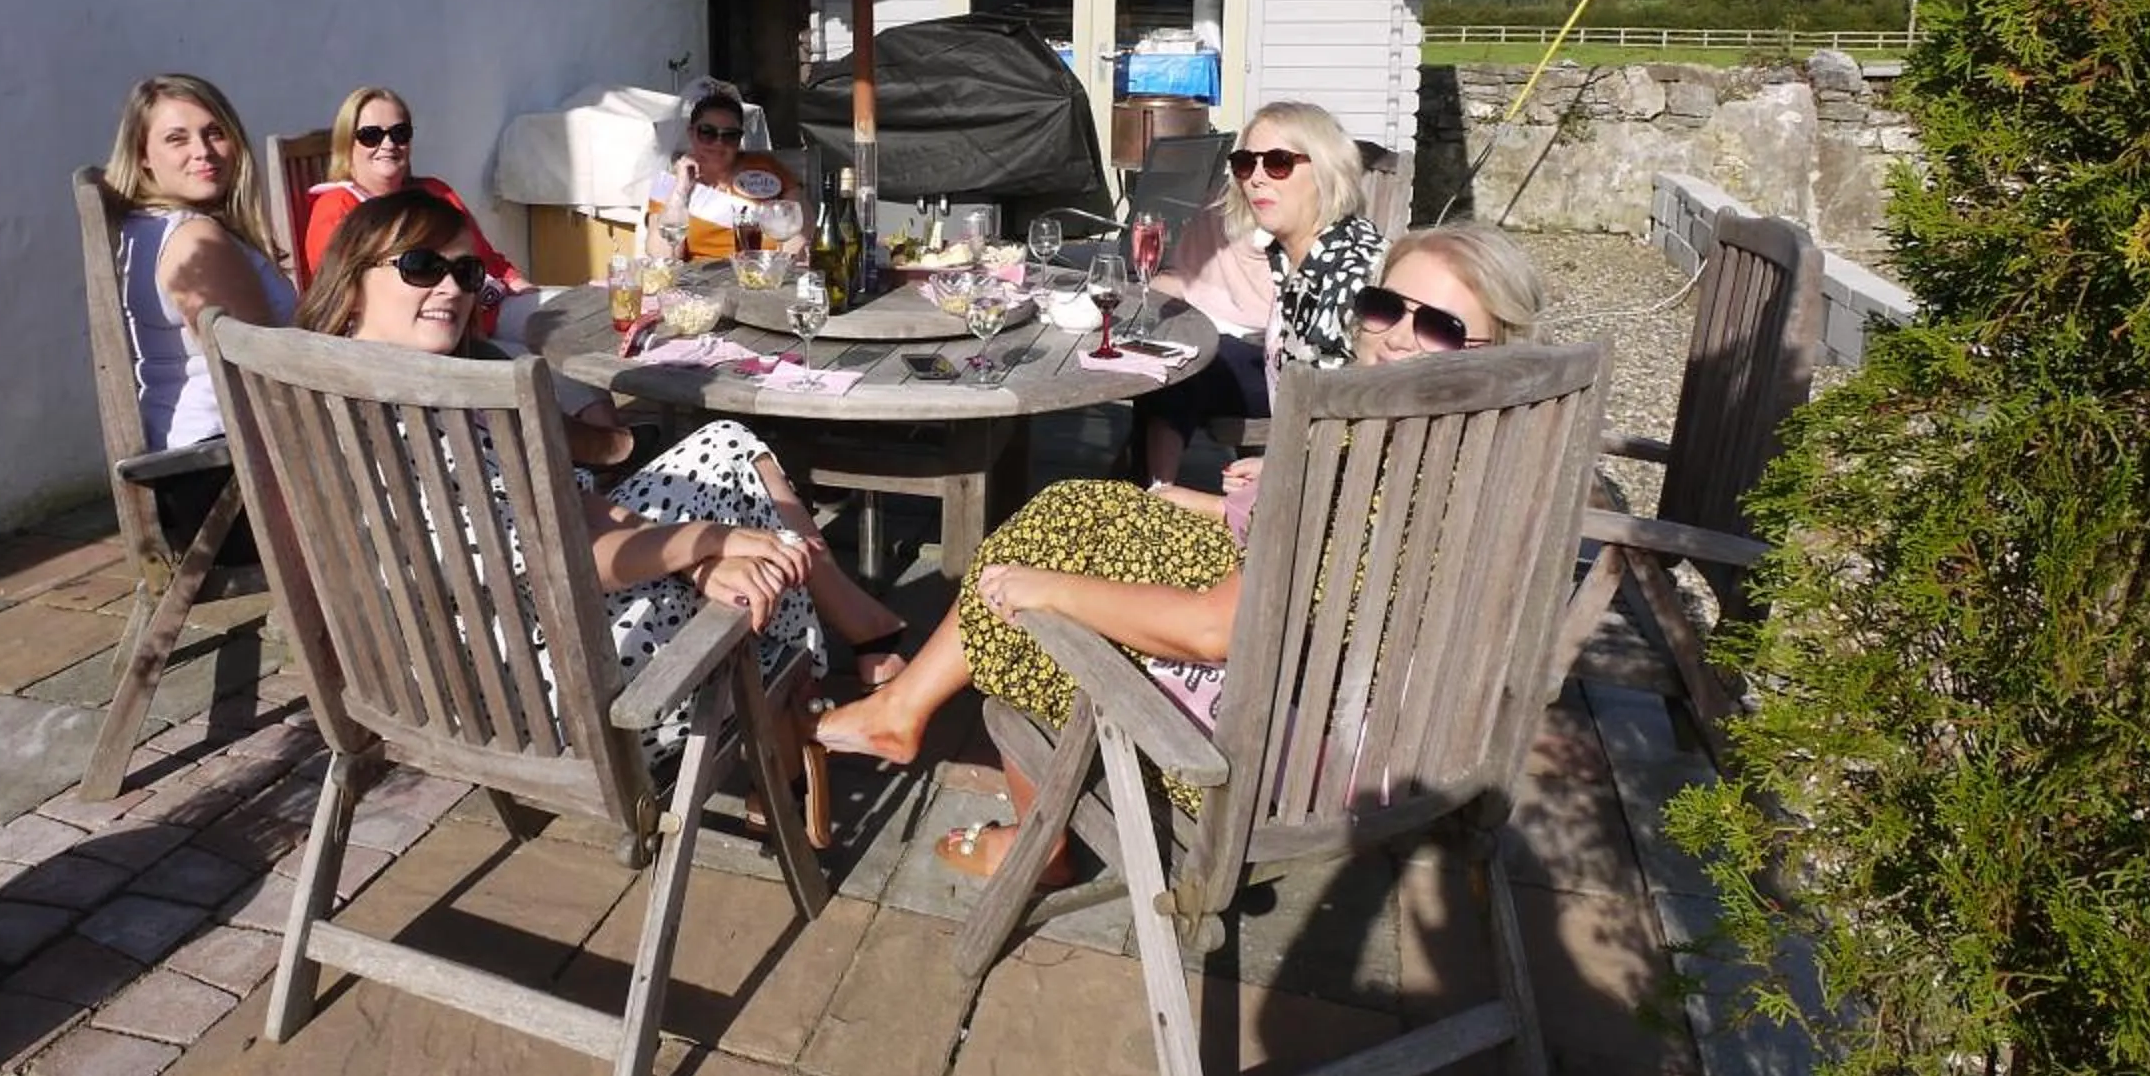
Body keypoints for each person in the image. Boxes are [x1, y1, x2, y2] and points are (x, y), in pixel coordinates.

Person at [815, 225, 1544, 881]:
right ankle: (904, 708)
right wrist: (1238, 502)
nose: (1399, 337)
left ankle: (1037, 844)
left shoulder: (1362, 469)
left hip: (1277, 748)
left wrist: (1051, 592)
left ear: (1496, 348)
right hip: (1356, 687)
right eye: (1388, 307)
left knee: (1019, 605)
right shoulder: (1461, 446)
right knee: (1078, 509)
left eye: (1443, 326)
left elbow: (1213, 632)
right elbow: (1323, 574)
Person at [296, 191, 909, 743]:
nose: (452, 288)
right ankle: (792, 715)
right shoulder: (395, 421)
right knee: (749, 556)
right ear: (351, 280)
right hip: (530, 695)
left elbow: (560, 507)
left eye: (465, 271)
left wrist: (696, 562)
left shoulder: (381, 386)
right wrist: (708, 540)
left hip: (511, 635)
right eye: (421, 266)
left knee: (722, 449)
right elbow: (549, 563)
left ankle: (806, 698)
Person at [1128, 101, 1385, 489]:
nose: (1256, 179)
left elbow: (1357, 427)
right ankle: (1149, 492)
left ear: (1326, 168)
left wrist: (1226, 501)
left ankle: (1148, 499)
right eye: (1247, 163)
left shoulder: (1345, 277)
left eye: (1278, 162)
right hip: (1287, 484)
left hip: (1306, 521)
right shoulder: (1295, 255)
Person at [106, 72, 297, 455]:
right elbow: (265, 368)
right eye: (177, 138)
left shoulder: (146, 226)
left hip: (200, 445)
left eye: (215, 133)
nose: (203, 151)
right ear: (142, 154)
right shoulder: (196, 239)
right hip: (231, 459)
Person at [296, 86, 530, 308]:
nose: (388, 144)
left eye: (400, 133)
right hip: (425, 333)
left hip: (488, 307)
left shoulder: (435, 193)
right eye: (371, 136)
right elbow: (339, 294)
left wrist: (523, 289)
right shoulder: (337, 209)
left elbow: (486, 256)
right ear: (346, 145)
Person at [642, 80, 804, 264]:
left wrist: (781, 268)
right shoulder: (670, 183)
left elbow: (800, 225)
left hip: (764, 273)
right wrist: (681, 190)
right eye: (707, 132)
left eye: (730, 135)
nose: (719, 143)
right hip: (703, 281)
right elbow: (663, 256)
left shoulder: (765, 167)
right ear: (691, 132)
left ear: (740, 138)